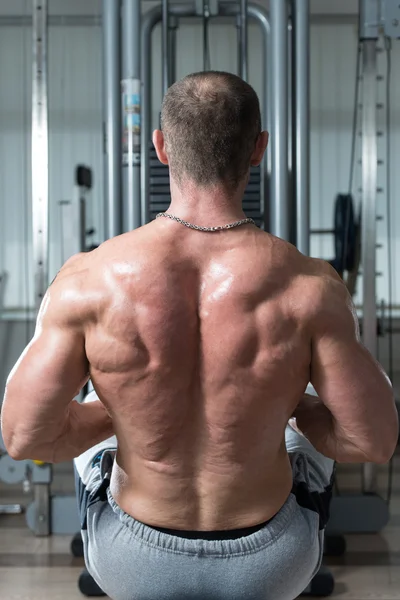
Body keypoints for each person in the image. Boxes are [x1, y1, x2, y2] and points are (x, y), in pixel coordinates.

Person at [1, 72, 398, 600]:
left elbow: (26, 438)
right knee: (310, 427)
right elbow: (371, 439)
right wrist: (286, 404)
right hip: (271, 561)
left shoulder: (87, 281)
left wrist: (123, 409)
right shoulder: (310, 286)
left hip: (132, 561)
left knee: (92, 394)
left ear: (161, 147)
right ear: (259, 150)